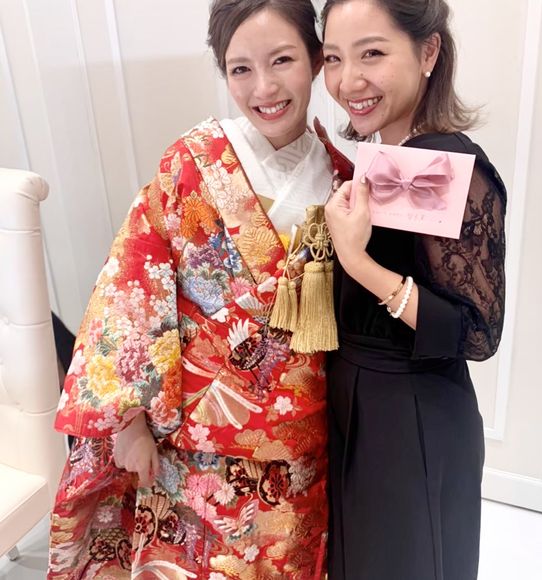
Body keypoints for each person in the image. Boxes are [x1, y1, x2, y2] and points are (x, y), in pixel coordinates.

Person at [47, 1, 351, 577]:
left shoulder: (341, 181)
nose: (263, 88)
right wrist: (130, 424)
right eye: (241, 69)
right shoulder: (191, 163)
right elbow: (131, 290)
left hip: (295, 457)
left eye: (282, 60)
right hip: (188, 448)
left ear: (315, 60)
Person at [321, 1, 507, 579]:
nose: (348, 80)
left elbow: (476, 333)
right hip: (357, 407)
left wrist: (357, 261)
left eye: (372, 53)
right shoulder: (382, 159)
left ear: (428, 51)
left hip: (412, 417)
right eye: (333, 58)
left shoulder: (444, 163)